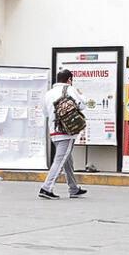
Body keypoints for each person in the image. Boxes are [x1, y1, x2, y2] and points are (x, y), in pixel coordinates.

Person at [38, 69, 88, 200]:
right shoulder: (70, 90)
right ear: (69, 80)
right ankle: (46, 188)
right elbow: (82, 105)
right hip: (67, 131)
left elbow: (45, 113)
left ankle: (73, 188)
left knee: (67, 160)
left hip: (54, 131)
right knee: (60, 160)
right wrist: (82, 96)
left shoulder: (48, 93)